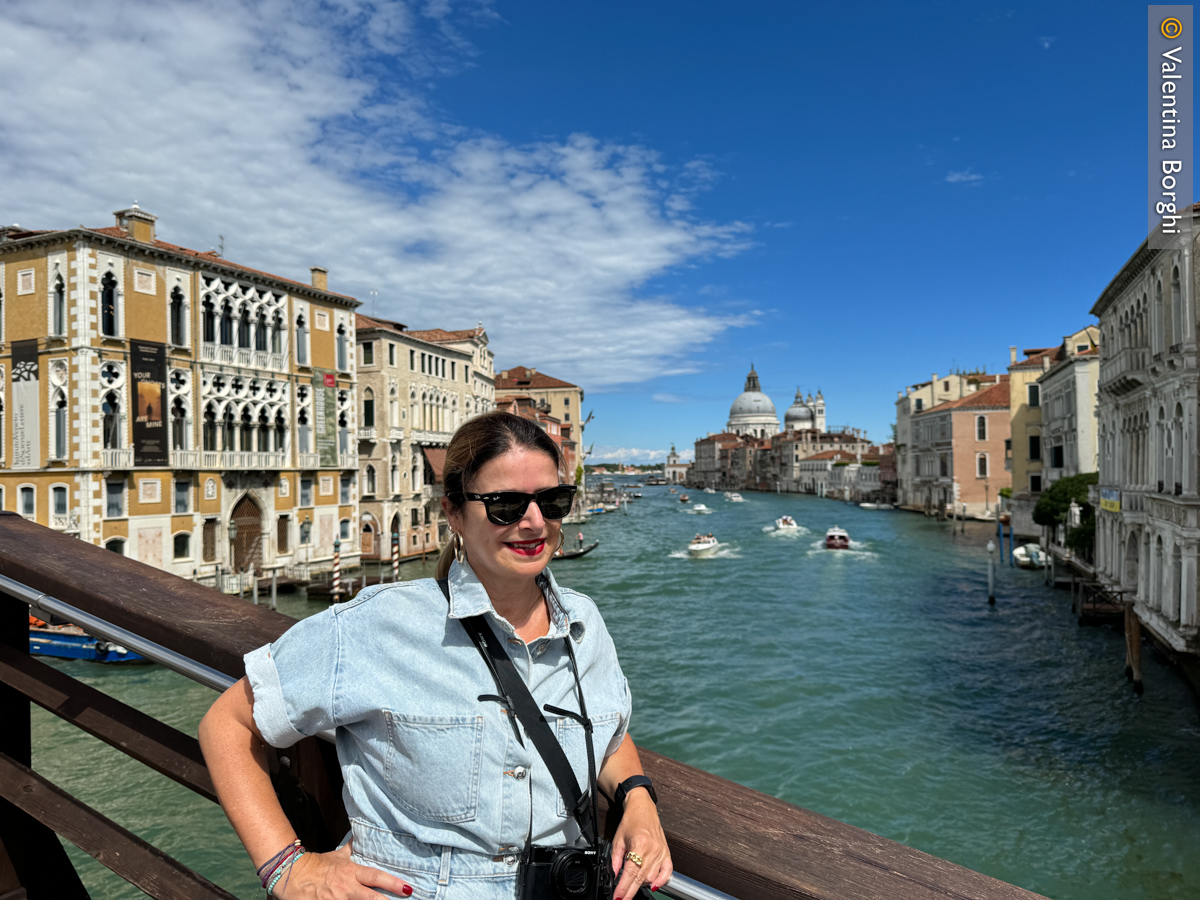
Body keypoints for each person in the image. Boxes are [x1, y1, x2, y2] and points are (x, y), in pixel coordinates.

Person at [199, 411, 671, 899]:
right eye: (505, 504)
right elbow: (228, 725)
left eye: (551, 501)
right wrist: (287, 868)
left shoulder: (584, 624)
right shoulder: (381, 624)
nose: (534, 522)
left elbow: (606, 729)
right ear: (453, 512)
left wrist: (638, 798)